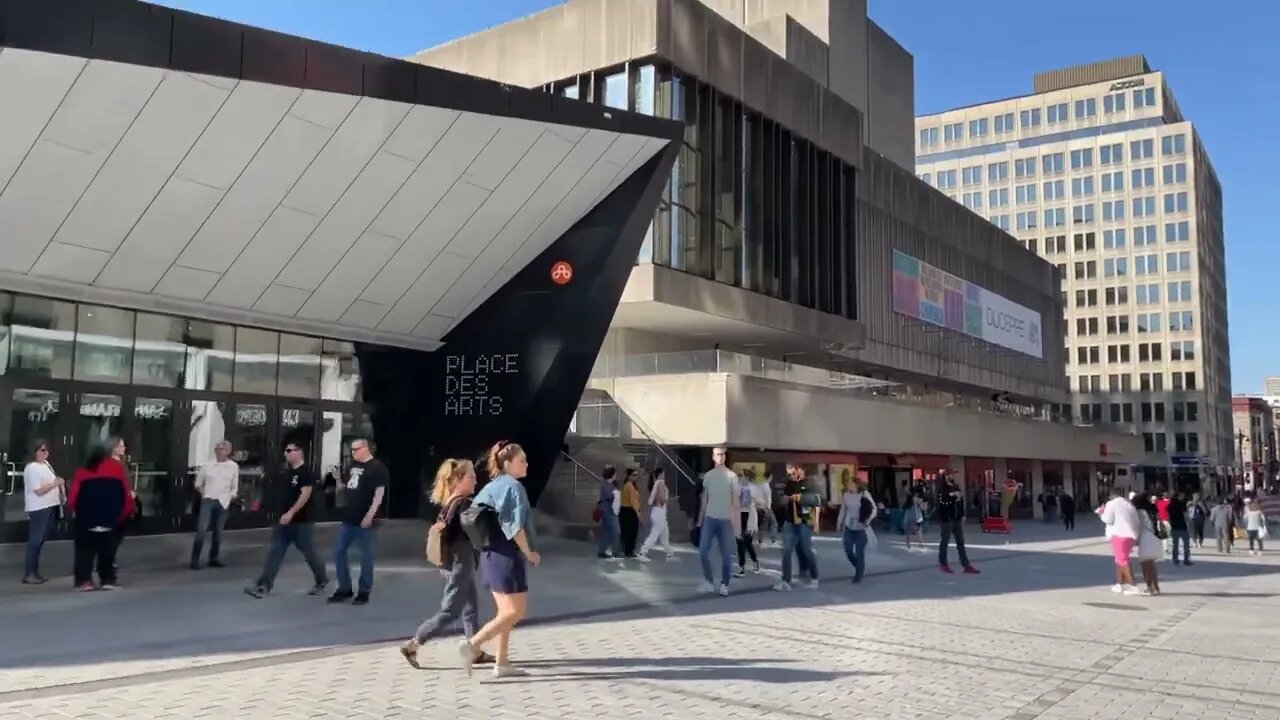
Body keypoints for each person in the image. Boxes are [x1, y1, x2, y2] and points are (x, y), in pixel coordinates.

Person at [400, 459, 494, 669]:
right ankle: (414, 644)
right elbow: (475, 527)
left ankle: (475, 650)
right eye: (471, 477)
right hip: (461, 561)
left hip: (452, 561)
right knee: (451, 610)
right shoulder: (462, 503)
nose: (475, 480)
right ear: (457, 480)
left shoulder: (449, 503)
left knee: (470, 607)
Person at [458, 441, 540, 680]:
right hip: (507, 554)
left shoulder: (492, 486)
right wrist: (529, 553)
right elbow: (515, 528)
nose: (526, 463)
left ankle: (501, 662)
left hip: (490, 554)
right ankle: (472, 645)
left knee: (505, 612)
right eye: (522, 460)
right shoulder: (514, 487)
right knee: (516, 612)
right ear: (508, 463)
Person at [244, 442, 328, 598]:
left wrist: (291, 512)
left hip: (302, 521)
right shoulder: (288, 473)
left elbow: (305, 494)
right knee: (275, 551)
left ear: (299, 452)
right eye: (286, 451)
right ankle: (264, 585)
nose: (287, 453)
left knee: (310, 553)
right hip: (284, 522)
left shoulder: (305, 473)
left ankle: (322, 580)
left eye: (290, 450)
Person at [68, 439, 135, 591]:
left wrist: (79, 512)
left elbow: (73, 498)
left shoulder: (82, 471)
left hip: (86, 519)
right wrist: (122, 515)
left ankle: (84, 580)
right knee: (108, 552)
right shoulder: (117, 469)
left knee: (84, 551)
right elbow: (125, 495)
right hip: (110, 519)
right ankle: (108, 579)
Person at [328, 438, 387, 605]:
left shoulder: (377, 468)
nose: (353, 452)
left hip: (365, 518)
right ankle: (344, 588)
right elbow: (344, 488)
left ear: (366, 448)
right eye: (351, 449)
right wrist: (338, 479)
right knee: (339, 551)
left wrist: (370, 515)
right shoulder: (352, 466)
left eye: (356, 449)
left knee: (365, 556)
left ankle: (364, 591)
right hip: (349, 517)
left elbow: (379, 494)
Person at [190, 440, 239, 570]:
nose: (219, 451)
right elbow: (198, 484)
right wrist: (204, 494)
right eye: (217, 448)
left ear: (228, 451)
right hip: (209, 499)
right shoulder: (207, 466)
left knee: (218, 531)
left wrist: (231, 496)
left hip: (223, 501)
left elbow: (235, 485)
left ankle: (213, 558)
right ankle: (195, 560)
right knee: (202, 529)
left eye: (222, 449)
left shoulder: (233, 466)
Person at [697, 447, 739, 596]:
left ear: (725, 457)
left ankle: (724, 584)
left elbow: (735, 501)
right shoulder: (708, 476)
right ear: (713, 458)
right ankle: (709, 581)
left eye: (722, 454)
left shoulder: (732, 476)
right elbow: (704, 498)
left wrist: (736, 523)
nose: (720, 457)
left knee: (726, 555)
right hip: (710, 518)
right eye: (718, 455)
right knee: (702, 551)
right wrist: (700, 518)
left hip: (725, 520)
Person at [772, 464, 820, 592]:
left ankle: (814, 577)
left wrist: (816, 523)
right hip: (790, 521)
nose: (791, 476)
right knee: (786, 551)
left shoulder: (810, 483)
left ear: (799, 470)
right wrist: (785, 499)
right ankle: (785, 581)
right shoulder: (789, 484)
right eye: (789, 474)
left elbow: (816, 501)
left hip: (804, 521)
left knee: (806, 549)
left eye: (793, 473)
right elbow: (784, 499)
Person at [22, 440, 64, 585]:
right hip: (39, 508)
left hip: (49, 506)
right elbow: (38, 490)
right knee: (35, 540)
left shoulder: (46, 465)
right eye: (41, 450)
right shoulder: (32, 468)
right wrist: (54, 484)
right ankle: (30, 573)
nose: (45, 453)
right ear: (34, 452)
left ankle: (34, 571)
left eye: (46, 450)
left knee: (39, 541)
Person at [1098, 487, 1142, 595]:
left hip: (1119, 535)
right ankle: (1119, 583)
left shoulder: (1111, 504)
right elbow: (1137, 520)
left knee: (1123, 560)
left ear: (1111, 496)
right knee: (1120, 559)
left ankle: (1133, 585)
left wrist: (1101, 512)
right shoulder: (1129, 505)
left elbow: (1107, 519)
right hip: (1130, 535)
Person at [936, 473, 979, 575]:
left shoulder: (956, 487)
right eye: (950, 474)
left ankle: (966, 565)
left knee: (960, 542)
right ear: (945, 476)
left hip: (957, 518)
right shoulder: (942, 489)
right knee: (945, 541)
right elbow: (942, 502)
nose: (952, 476)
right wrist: (953, 497)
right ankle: (943, 563)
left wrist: (963, 514)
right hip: (947, 519)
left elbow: (960, 502)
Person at [837, 475, 877, 583]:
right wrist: (839, 521)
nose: (849, 486)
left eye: (851, 484)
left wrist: (868, 520)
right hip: (849, 526)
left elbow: (874, 509)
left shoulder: (864, 494)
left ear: (856, 486)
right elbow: (843, 510)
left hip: (861, 528)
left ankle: (859, 573)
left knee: (860, 551)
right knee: (848, 550)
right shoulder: (846, 495)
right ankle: (858, 566)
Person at [636, 467, 675, 561]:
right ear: (660, 474)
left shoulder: (656, 483)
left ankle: (670, 554)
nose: (664, 475)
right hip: (659, 512)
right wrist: (668, 500)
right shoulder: (660, 483)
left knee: (665, 534)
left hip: (658, 512)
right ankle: (642, 552)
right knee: (654, 534)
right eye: (663, 473)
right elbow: (662, 498)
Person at [1133, 495, 1162, 596]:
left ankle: (1150, 588)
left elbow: (1139, 527)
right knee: (1152, 565)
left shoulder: (1139, 513)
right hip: (1153, 537)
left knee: (1145, 566)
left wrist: (1135, 540)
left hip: (1145, 538)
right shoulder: (1149, 510)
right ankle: (1156, 587)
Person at [734, 471, 761, 577]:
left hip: (749, 515)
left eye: (742, 476)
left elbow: (758, 502)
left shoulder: (753, 488)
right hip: (739, 514)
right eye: (739, 476)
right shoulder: (736, 487)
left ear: (747, 477)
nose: (741, 478)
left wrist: (754, 525)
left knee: (747, 542)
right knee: (739, 541)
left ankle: (755, 561)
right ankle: (742, 567)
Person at [596, 466, 620, 559]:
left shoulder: (610, 485)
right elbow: (610, 496)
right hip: (608, 511)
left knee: (607, 531)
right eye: (615, 474)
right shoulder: (607, 485)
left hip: (608, 510)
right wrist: (616, 494)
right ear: (612, 474)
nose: (616, 476)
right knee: (616, 531)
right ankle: (615, 551)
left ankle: (602, 550)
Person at [618, 469, 642, 558]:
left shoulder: (630, 485)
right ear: (629, 476)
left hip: (627, 510)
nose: (636, 477)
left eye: (636, 475)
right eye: (634, 475)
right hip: (629, 511)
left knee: (628, 531)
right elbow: (633, 501)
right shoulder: (629, 486)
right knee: (631, 532)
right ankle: (629, 551)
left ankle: (628, 550)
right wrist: (637, 512)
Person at [1167, 492, 1192, 566]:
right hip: (1182, 526)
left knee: (1175, 544)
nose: (1183, 497)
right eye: (1181, 496)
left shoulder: (1170, 505)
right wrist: (1188, 524)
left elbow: (1168, 516)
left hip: (1174, 526)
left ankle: (1175, 560)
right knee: (1186, 544)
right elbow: (1185, 515)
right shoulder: (1182, 504)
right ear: (1178, 496)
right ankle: (1186, 560)